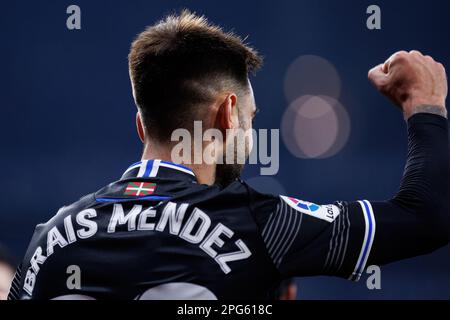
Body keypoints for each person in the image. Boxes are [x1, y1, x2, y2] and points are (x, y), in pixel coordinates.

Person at [8, 10, 449, 300]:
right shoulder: (263, 224)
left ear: (142, 127)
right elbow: (425, 218)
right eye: (253, 120)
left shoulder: (48, 237)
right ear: (229, 113)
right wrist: (425, 106)